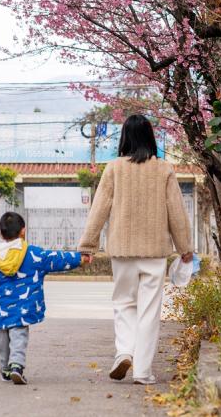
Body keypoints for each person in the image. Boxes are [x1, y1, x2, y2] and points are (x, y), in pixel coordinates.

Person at [78, 114, 194, 386]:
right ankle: (142, 371)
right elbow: (176, 211)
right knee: (149, 311)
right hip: (154, 253)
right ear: (150, 138)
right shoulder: (164, 169)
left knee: (123, 304)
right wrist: (185, 248)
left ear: (125, 138)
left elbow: (99, 209)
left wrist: (88, 245)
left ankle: (124, 352)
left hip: (122, 251)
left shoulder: (114, 168)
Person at [0, 210, 89, 384]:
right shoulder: (33, 254)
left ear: (1, 233)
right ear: (23, 231)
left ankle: (5, 368)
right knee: (19, 334)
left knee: (3, 337)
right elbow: (56, 259)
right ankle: (17, 366)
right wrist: (80, 258)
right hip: (23, 309)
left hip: (1, 309)